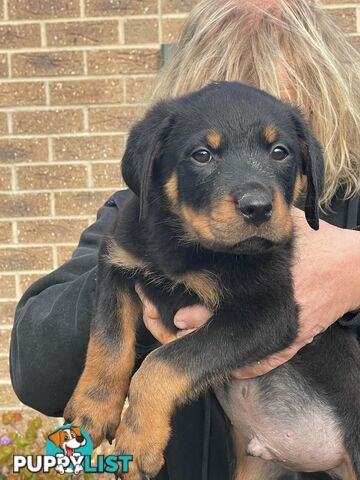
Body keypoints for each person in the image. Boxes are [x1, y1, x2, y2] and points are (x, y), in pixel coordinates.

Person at [10, 0, 360, 478]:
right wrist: (148, 277)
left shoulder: (348, 203)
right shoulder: (135, 212)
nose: (251, 188)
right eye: (205, 152)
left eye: (274, 147)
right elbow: (37, 370)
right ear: (160, 158)